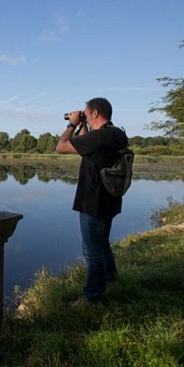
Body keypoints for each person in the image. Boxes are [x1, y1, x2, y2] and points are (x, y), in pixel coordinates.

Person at [56, 97, 128, 305]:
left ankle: (92, 297)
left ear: (95, 113)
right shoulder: (117, 134)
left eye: (86, 113)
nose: (83, 116)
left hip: (93, 201)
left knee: (92, 250)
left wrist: (71, 125)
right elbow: (86, 148)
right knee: (102, 243)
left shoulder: (100, 138)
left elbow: (61, 147)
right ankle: (111, 279)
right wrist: (84, 125)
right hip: (110, 199)